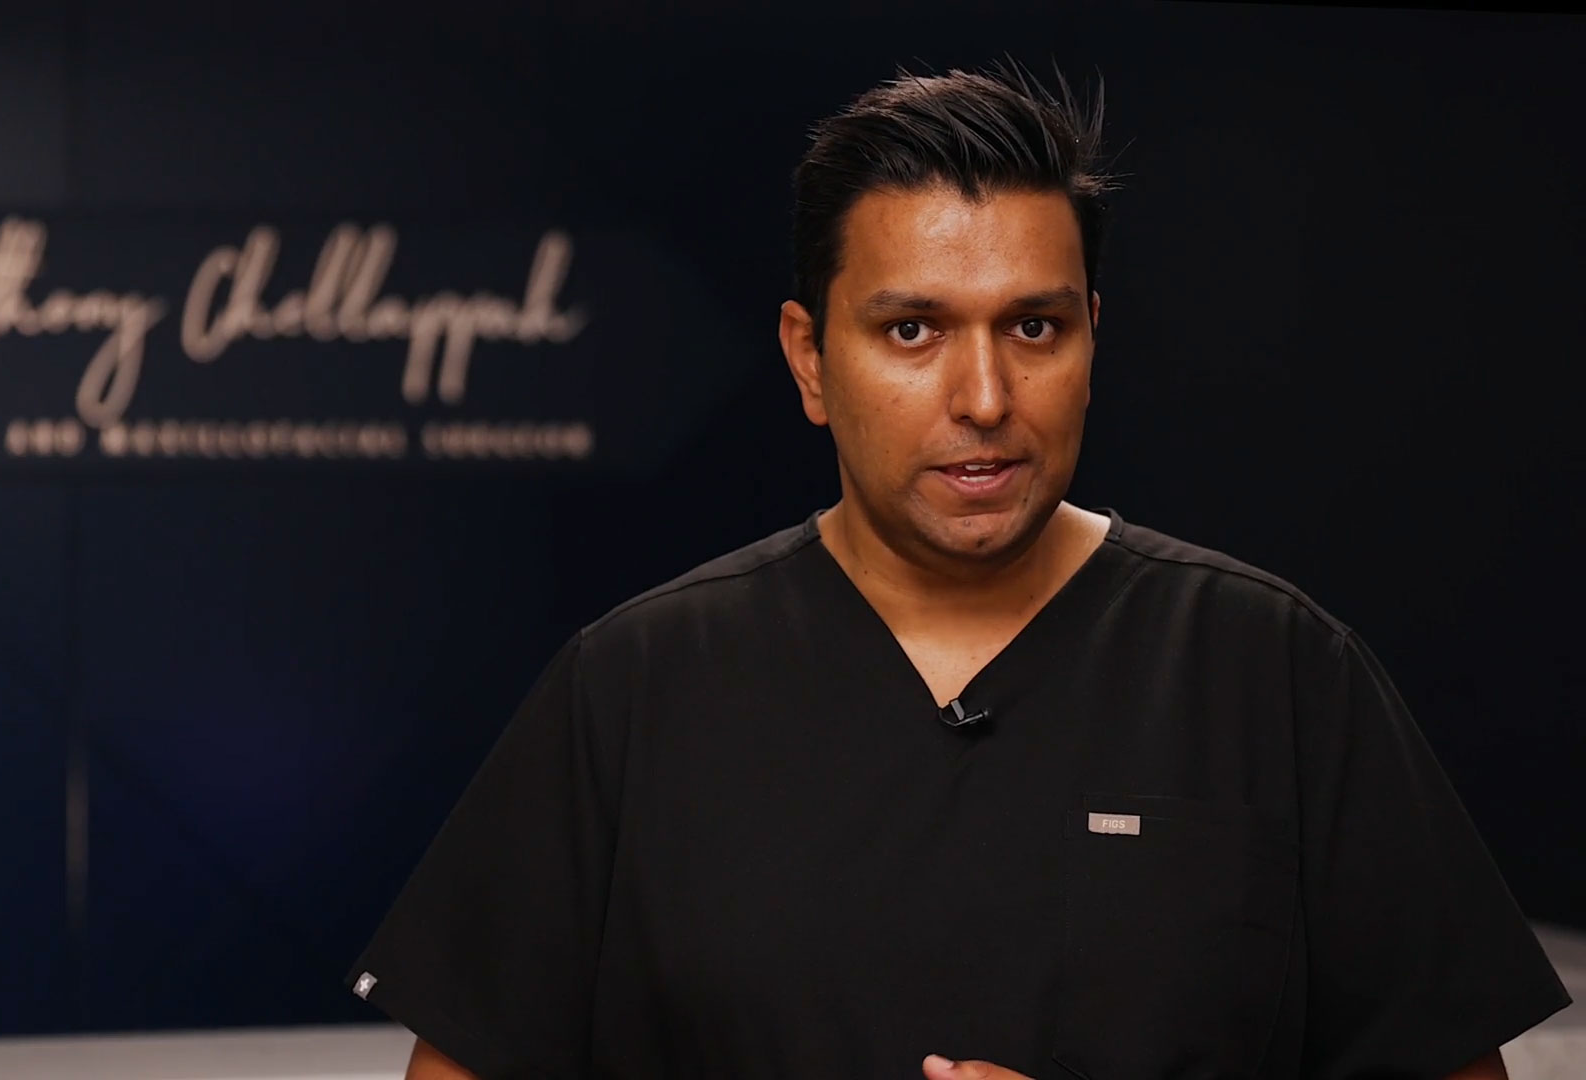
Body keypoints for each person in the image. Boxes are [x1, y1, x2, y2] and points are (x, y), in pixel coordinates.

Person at [345, 60, 1571, 1080]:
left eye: (1035, 326)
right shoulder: (635, 686)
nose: (984, 398)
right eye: (913, 330)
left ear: (1093, 340)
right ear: (811, 359)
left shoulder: (1274, 671)